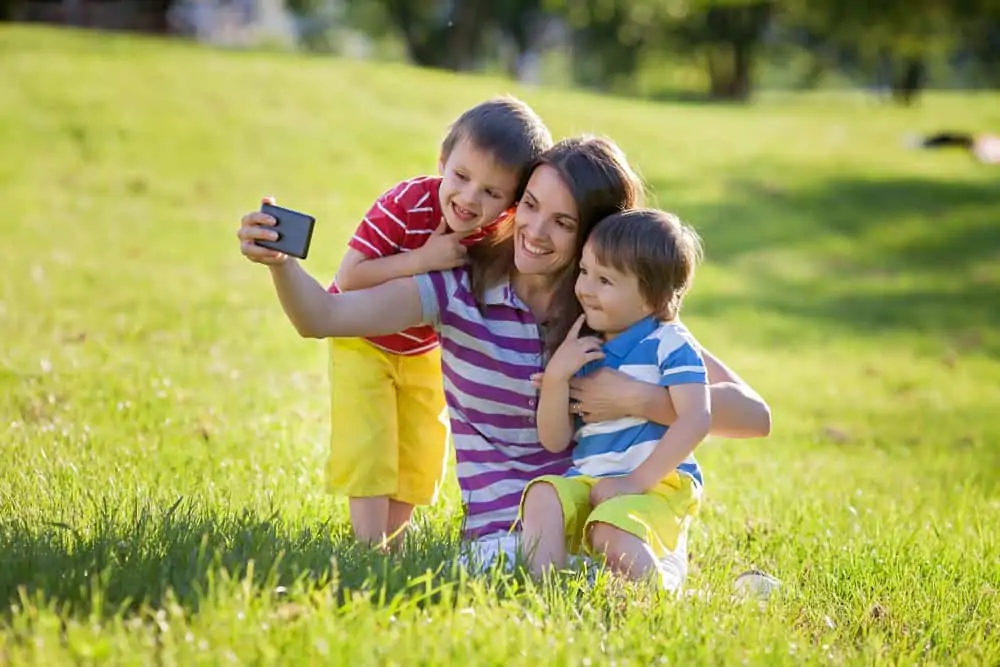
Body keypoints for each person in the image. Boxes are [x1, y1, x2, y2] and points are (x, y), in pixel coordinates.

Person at [236, 134, 771, 581]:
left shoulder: (612, 310)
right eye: (531, 206)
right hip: (504, 536)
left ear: (592, 235)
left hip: (608, 519)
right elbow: (323, 319)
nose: (535, 232)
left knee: (615, 566)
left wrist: (639, 398)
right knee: (495, 571)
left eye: (563, 223)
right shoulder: (460, 289)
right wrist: (279, 263)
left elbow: (753, 415)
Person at [321, 95, 552, 545]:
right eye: (461, 177)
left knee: (421, 447)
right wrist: (423, 258)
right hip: (362, 340)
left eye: (491, 192)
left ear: (512, 204)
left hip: (424, 349)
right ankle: (369, 547)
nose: (468, 199)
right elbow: (350, 278)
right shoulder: (406, 202)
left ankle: (394, 537)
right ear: (442, 160)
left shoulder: (498, 233)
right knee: (370, 441)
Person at [521, 208, 708, 591]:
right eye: (585, 271)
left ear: (651, 300)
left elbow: (696, 418)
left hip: (659, 486)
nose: (585, 288)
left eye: (604, 279)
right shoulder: (586, 349)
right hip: (591, 479)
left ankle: (661, 605)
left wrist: (635, 482)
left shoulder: (669, 343)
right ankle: (545, 596)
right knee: (542, 496)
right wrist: (557, 377)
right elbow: (555, 440)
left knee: (610, 529)